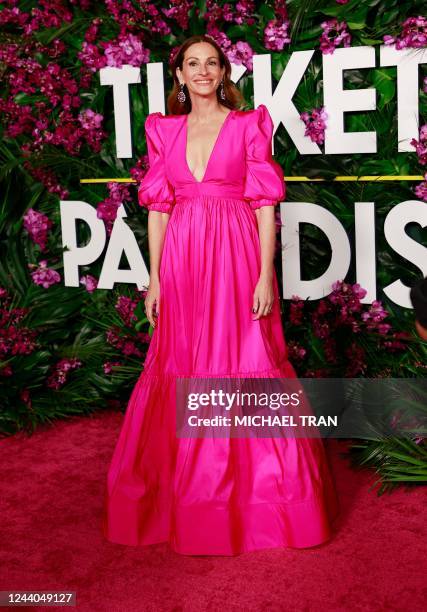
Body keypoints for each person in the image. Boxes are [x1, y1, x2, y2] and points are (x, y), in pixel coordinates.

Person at [103, 34, 339, 556]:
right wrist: (156, 278)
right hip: (183, 261)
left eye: (211, 63)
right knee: (182, 364)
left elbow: (264, 207)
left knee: (245, 361)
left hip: (236, 258)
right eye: (193, 64)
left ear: (223, 73)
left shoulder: (248, 125)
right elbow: (158, 209)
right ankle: (187, 503)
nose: (203, 71)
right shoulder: (163, 131)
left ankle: (264, 505)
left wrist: (262, 275)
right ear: (180, 76)